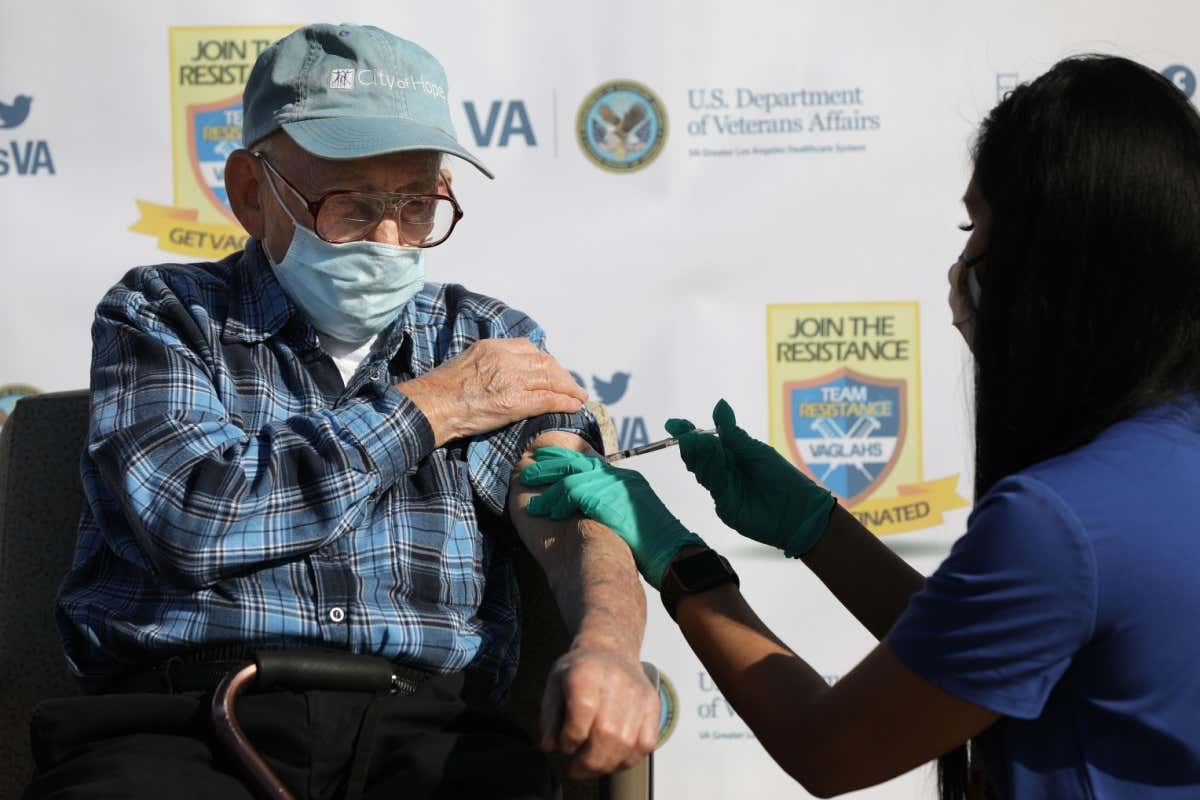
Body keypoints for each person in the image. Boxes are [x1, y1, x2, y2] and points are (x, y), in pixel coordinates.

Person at [520, 55, 1200, 799]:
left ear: (1049, 265)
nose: (962, 269)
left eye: (977, 230)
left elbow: (830, 747)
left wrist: (678, 559)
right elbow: (978, 651)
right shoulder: (1162, 461)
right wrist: (818, 529)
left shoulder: (1061, 521)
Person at [26, 24, 658, 800]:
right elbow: (193, 517)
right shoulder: (163, 313)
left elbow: (575, 514)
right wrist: (431, 407)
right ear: (253, 193)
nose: (391, 242)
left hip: (424, 730)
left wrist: (609, 647)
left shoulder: (487, 338)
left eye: (418, 206)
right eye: (352, 207)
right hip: (186, 724)